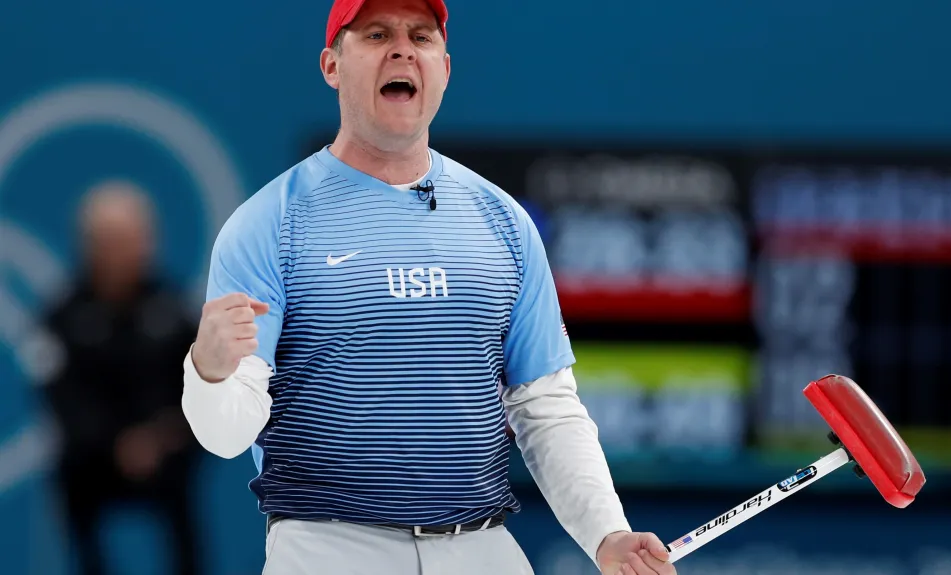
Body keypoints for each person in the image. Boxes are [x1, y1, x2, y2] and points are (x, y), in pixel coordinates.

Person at [180, 0, 677, 573]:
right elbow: (225, 435)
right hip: (329, 550)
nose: (401, 49)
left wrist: (606, 533)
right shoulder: (269, 224)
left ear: (444, 66)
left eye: (421, 35)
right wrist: (208, 371)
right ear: (331, 66)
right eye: (375, 34)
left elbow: (545, 408)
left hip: (483, 549)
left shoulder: (503, 222)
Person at [41, 181, 202, 575]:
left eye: (138, 238)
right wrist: (115, 443)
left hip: (165, 457)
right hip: (91, 462)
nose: (131, 251)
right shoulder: (62, 319)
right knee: (70, 477)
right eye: (115, 240)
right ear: (90, 245)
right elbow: (63, 399)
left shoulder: (174, 312)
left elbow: (202, 388)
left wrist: (160, 437)